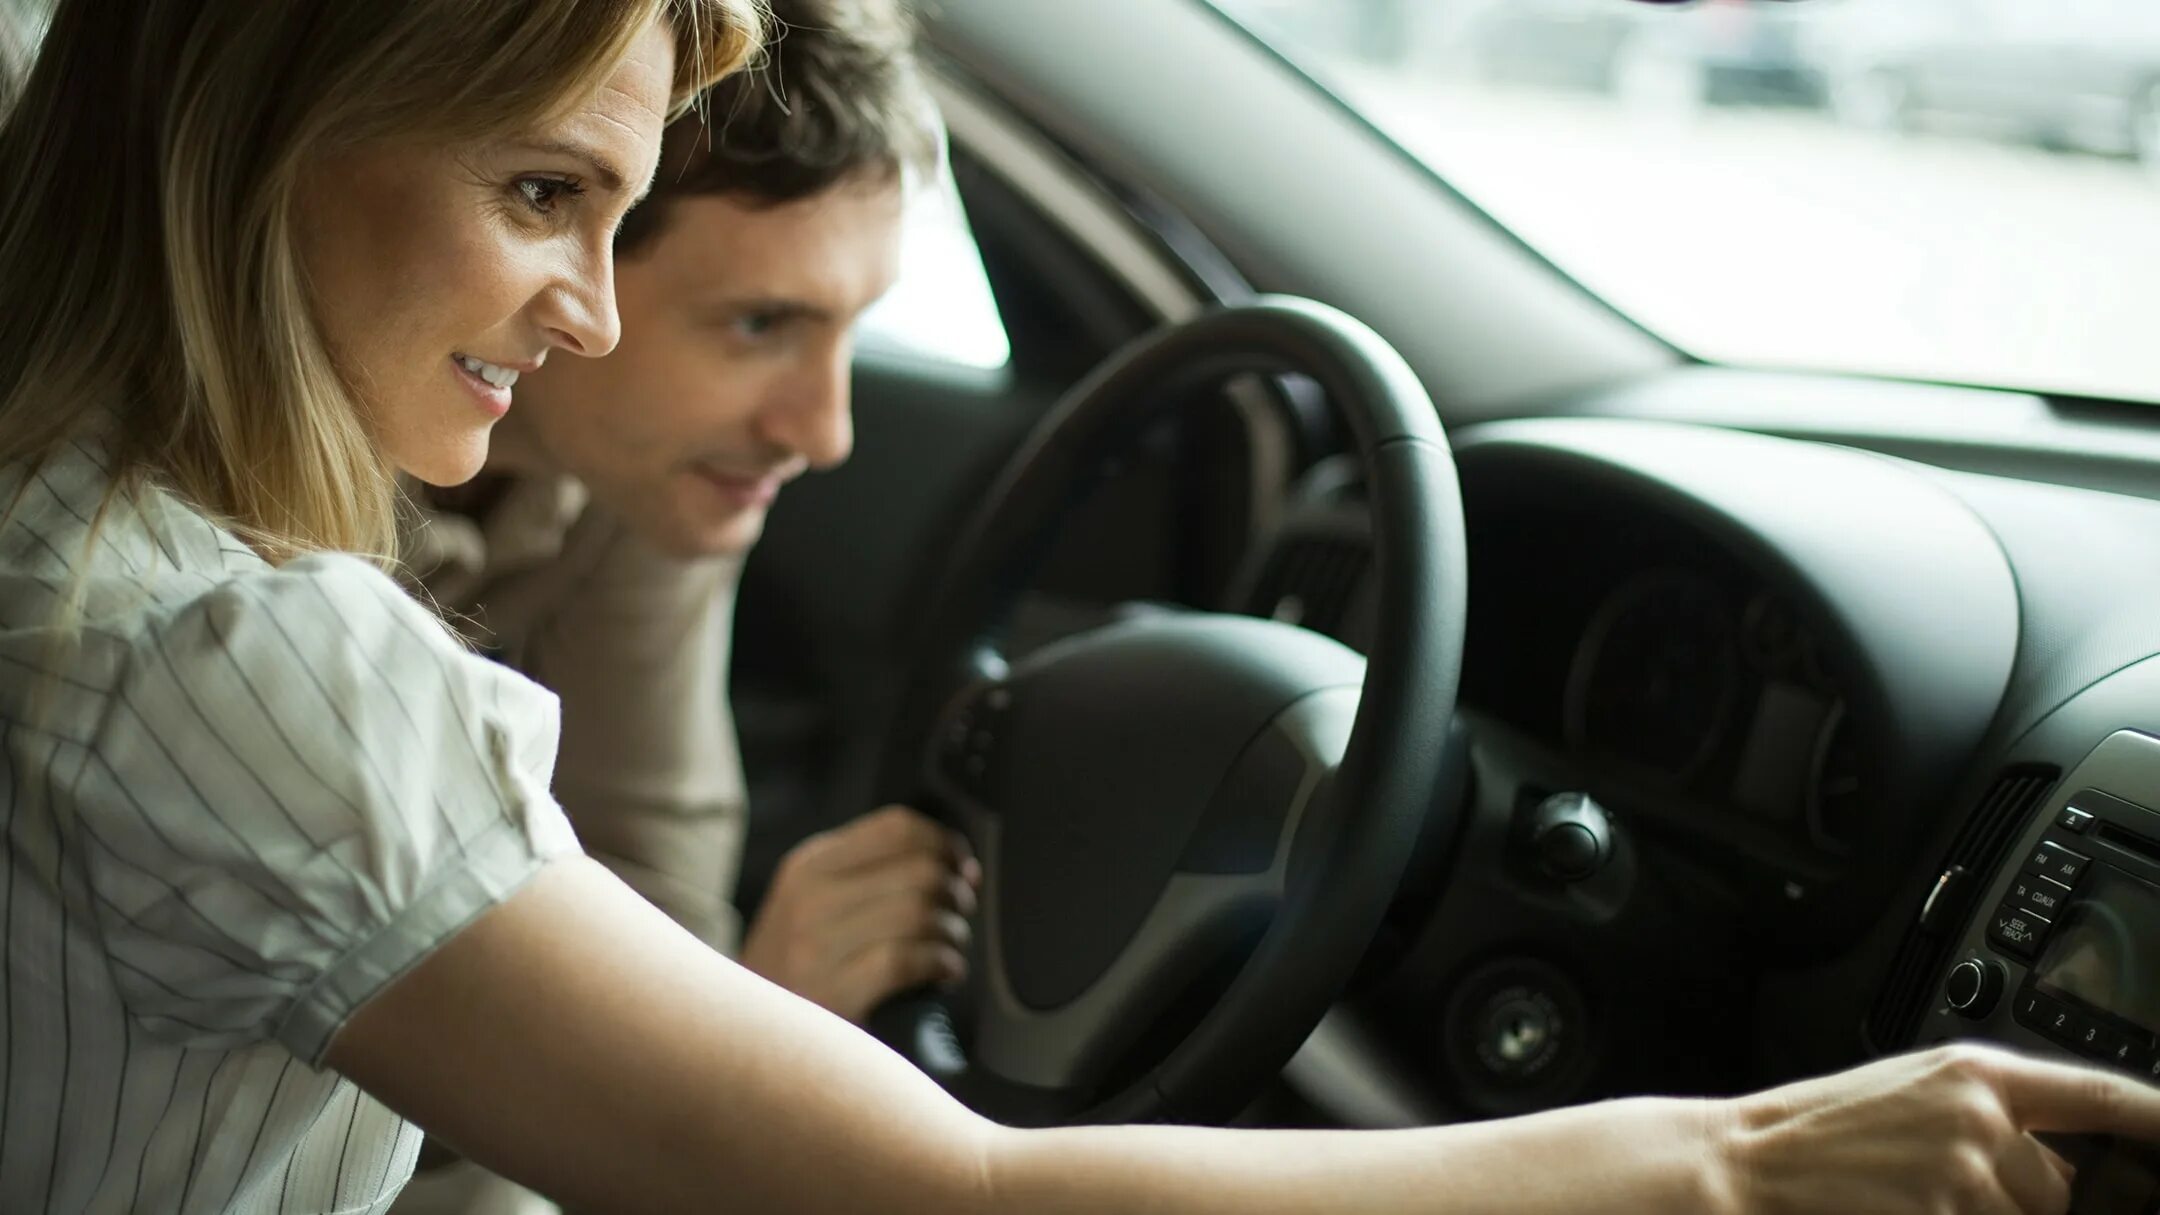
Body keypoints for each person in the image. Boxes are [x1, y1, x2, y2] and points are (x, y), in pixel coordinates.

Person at [1, 1, 2158, 1213]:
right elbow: (958, 1200)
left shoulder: (83, 538)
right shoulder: (238, 662)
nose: (576, 305)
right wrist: (1736, 1159)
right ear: (265, 128)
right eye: (542, 196)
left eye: (611, 209)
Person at [399, 0, 969, 1027]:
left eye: (850, 328)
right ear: (562, 226)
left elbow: (648, 882)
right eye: (759, 324)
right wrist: (755, 1022)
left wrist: (748, 1007)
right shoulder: (252, 517)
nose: (824, 432)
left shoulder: (641, 485)